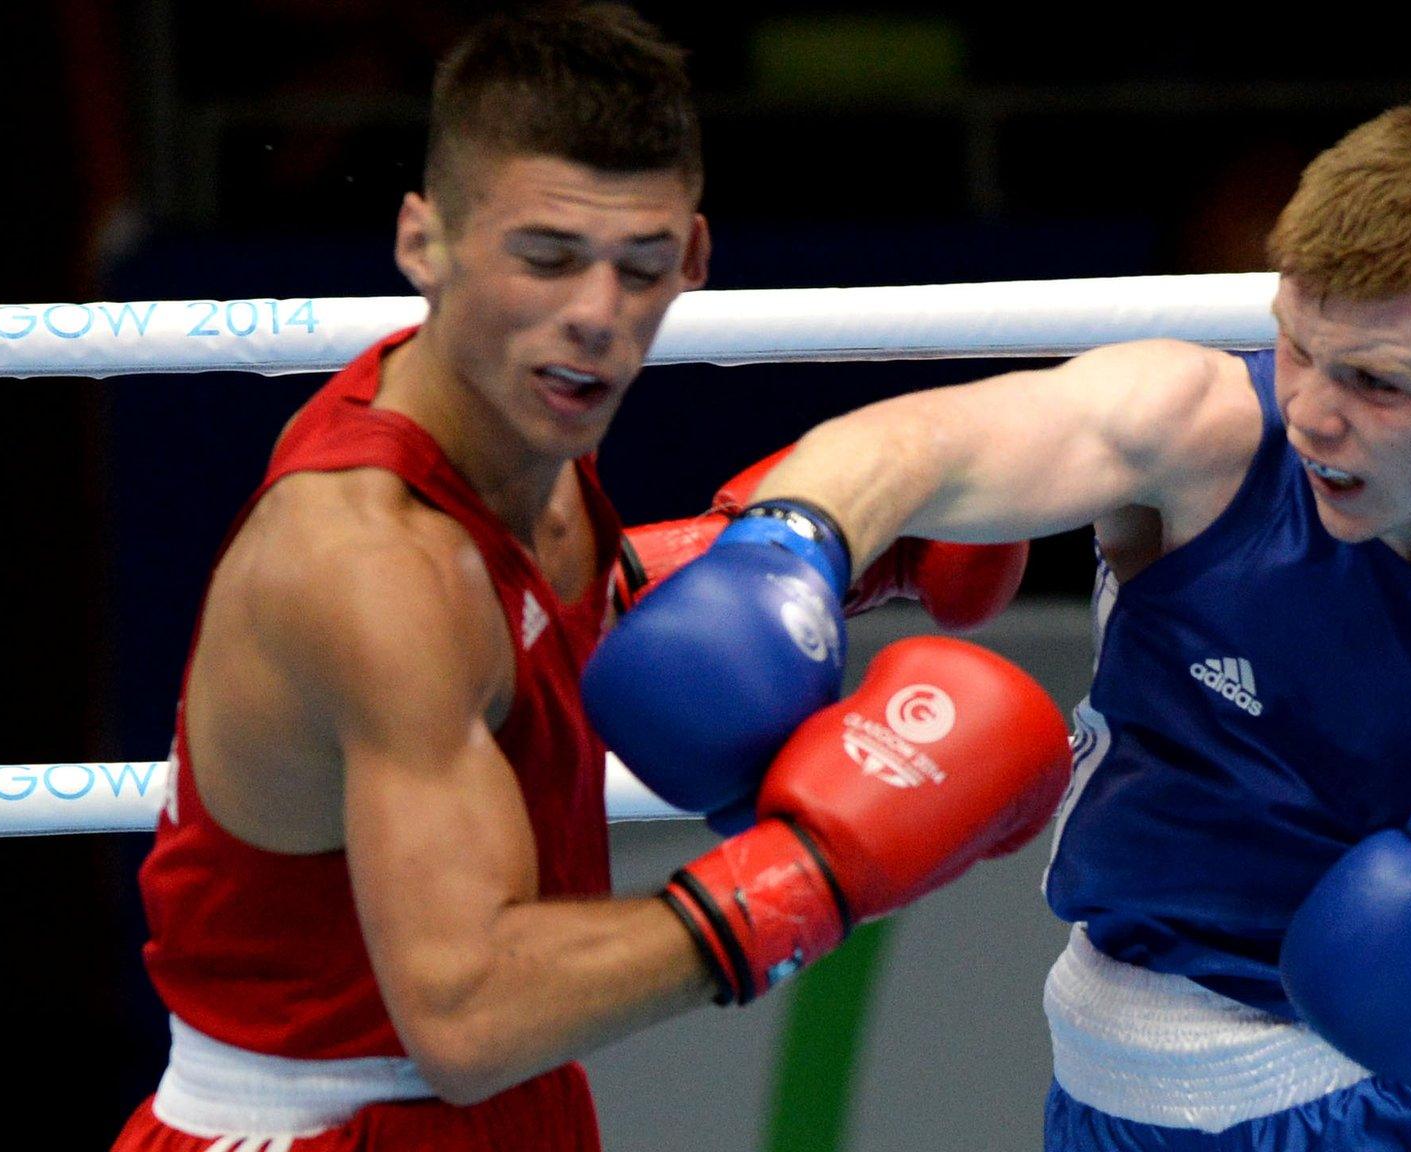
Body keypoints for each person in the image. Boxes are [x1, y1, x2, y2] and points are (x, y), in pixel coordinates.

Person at [607, 98, 1411, 1149]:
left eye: (1377, 383)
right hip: (1118, 1095)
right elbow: (920, 448)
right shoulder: (1204, 435)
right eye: (1297, 343)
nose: (1311, 411)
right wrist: (787, 548)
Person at [110, 6, 1056, 1150]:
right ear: (424, 242)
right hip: (328, 1121)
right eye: (545, 258)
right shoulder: (365, 563)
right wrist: (812, 874)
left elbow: (510, 643)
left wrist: (772, 562)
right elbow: (466, 1013)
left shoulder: (520, 439)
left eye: (639, 266)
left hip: (518, 1103)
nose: (595, 316)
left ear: (694, 260)